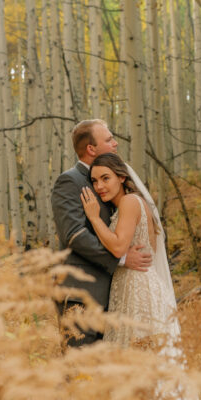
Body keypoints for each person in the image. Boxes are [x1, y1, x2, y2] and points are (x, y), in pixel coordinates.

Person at [81, 151, 201, 400]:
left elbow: (119, 246)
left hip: (139, 293)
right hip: (136, 288)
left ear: (121, 176)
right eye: (94, 181)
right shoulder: (129, 205)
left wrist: (93, 217)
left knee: (146, 373)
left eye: (106, 178)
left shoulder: (131, 202)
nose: (100, 186)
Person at [51, 120, 152, 348]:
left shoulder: (116, 184)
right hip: (82, 296)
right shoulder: (69, 181)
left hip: (116, 298)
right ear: (91, 149)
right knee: (80, 374)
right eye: (108, 139)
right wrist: (122, 258)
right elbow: (74, 235)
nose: (115, 143)